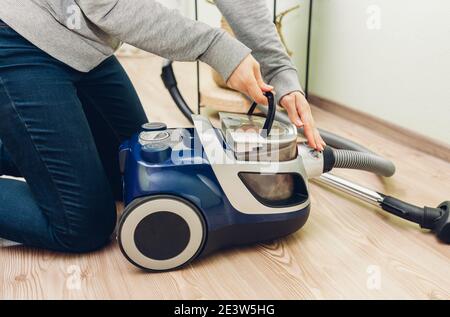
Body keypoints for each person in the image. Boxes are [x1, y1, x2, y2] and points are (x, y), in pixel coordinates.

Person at [0, 0, 325, 252]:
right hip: (19, 36)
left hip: (87, 46)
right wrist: (215, 47)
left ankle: (27, 147)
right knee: (83, 224)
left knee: (133, 169)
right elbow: (106, 5)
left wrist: (281, 75)